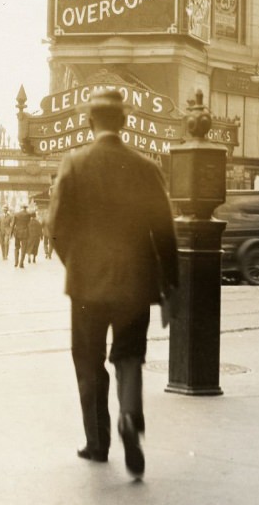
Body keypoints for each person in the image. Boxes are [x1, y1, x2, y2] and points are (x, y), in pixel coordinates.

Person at [49, 88, 178, 480]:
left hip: (86, 286)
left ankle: (98, 442)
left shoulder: (74, 164)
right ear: (124, 124)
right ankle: (129, 415)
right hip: (135, 284)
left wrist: (76, 263)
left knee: (88, 364)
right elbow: (165, 232)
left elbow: (56, 228)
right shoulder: (146, 168)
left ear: (90, 123)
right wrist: (169, 284)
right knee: (128, 356)